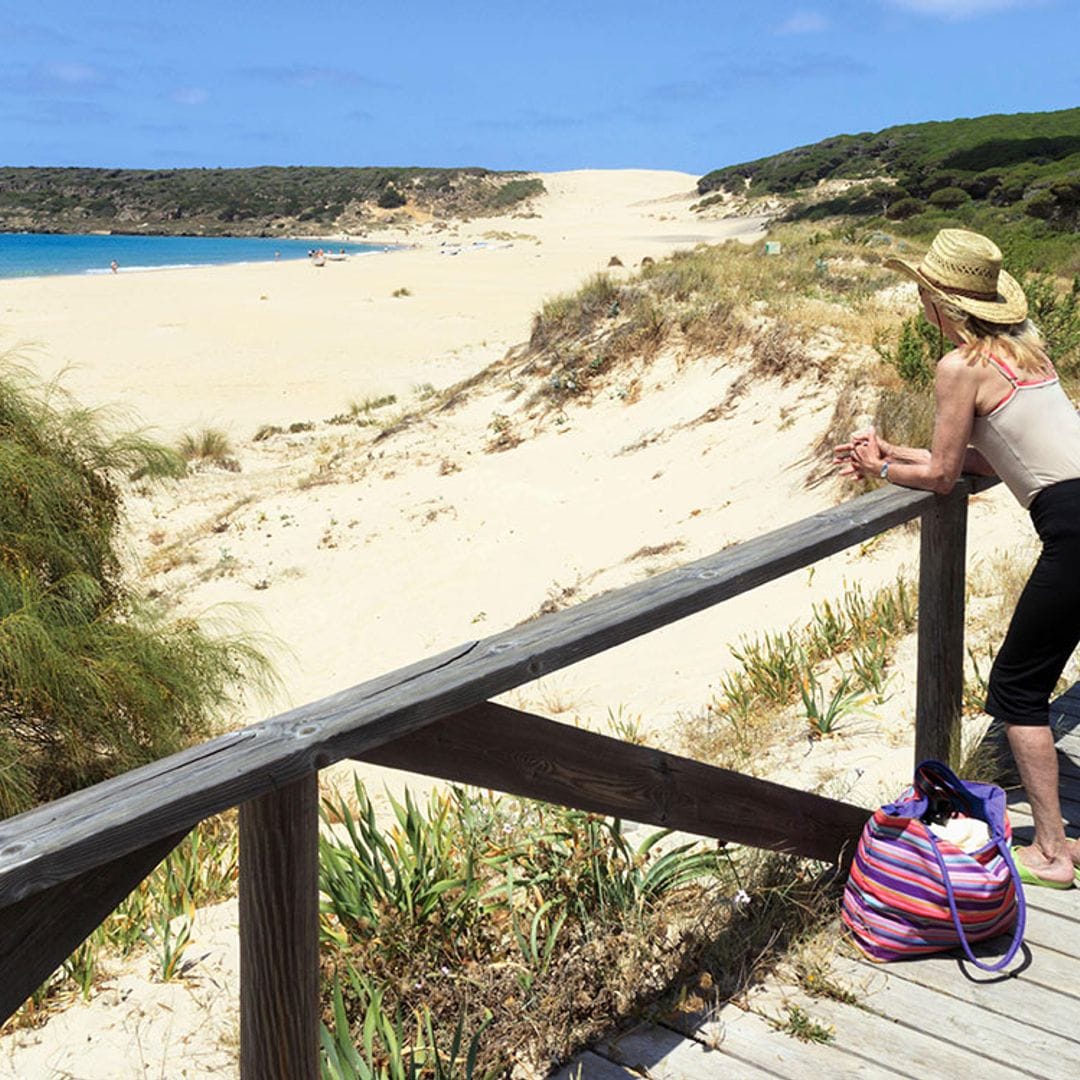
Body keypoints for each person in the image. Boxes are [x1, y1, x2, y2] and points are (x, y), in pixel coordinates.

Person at [834, 228, 1080, 888]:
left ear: (935, 300)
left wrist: (880, 469)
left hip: (1077, 530)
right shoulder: (1024, 355)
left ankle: (1054, 852)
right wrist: (892, 452)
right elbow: (989, 462)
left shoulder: (958, 365)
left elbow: (944, 478)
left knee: (1018, 690)